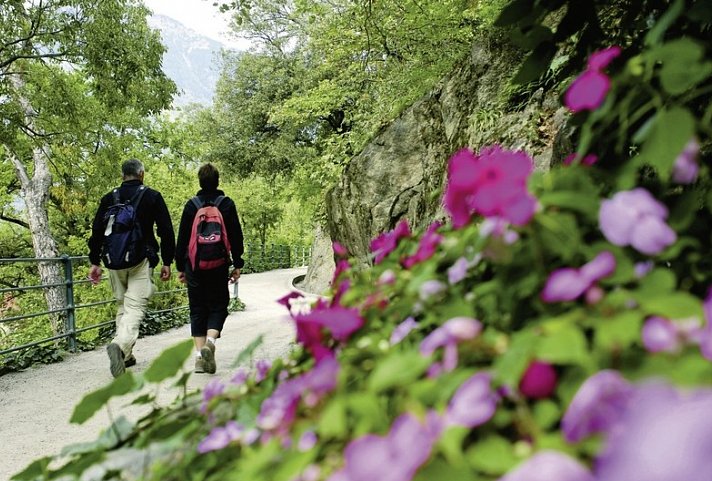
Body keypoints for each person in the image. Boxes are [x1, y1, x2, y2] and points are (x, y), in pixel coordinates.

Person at [88, 158, 176, 378]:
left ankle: (126, 357)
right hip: (140, 259)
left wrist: (95, 262)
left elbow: (97, 231)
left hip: (114, 261)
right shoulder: (152, 196)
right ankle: (119, 345)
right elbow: (166, 230)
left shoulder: (109, 198)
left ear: (122, 175)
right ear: (142, 174)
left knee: (122, 305)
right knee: (135, 308)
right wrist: (167, 261)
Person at [175, 163, 244, 374]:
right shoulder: (226, 204)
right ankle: (210, 343)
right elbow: (235, 235)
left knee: (197, 309)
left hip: (194, 266)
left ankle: (198, 359)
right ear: (218, 181)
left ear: (199, 181)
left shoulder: (191, 205)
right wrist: (238, 263)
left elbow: (183, 239)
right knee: (219, 305)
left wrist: (181, 267)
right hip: (218, 264)